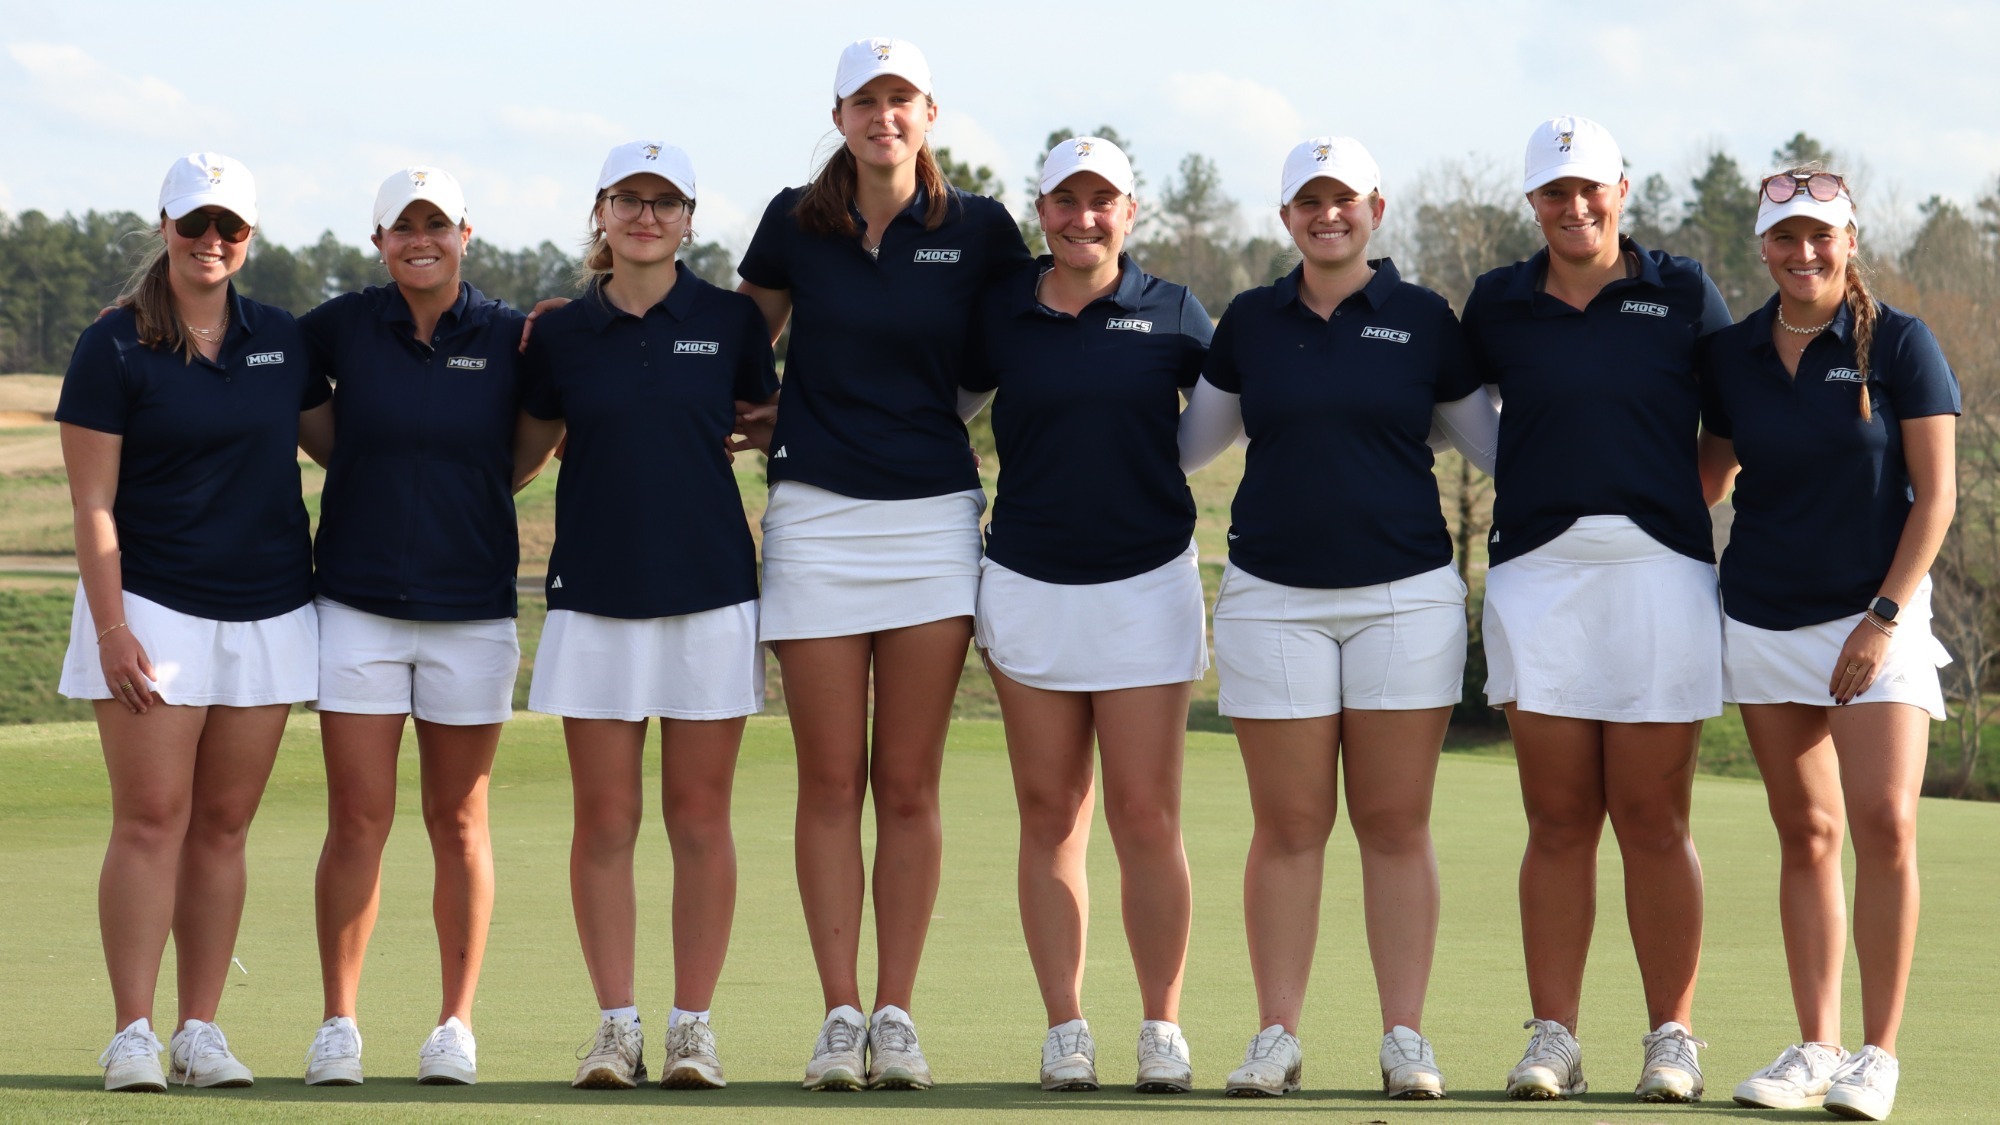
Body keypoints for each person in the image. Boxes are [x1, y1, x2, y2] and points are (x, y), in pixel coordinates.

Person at [734, 37, 1031, 1091]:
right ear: (840, 114)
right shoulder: (792, 220)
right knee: (827, 780)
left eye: (900, 99)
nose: (883, 117)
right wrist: (761, 414)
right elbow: (742, 340)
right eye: (866, 100)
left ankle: (895, 1014)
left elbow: (1006, 356)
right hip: (814, 515)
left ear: (929, 113)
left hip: (930, 519)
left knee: (905, 784)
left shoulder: (981, 227)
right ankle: (836, 1014)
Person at [1179, 136, 1498, 1100]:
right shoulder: (1249, 321)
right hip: (1273, 599)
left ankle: (1405, 1037)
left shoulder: (1425, 319)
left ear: (1377, 209)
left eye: (1344, 200)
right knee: (1289, 826)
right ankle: (1277, 1035)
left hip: (1405, 598)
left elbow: (1496, 446)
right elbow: (1190, 445)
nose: (1328, 215)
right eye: (1308, 202)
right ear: (1285, 218)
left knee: (1395, 824)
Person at [1458, 115, 1733, 1102]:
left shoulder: (1679, 290)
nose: (1572, 207)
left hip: (1660, 572)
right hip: (1538, 574)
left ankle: (1671, 1039)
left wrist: (1668, 496)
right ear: (1530, 202)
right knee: (1559, 816)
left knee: (1653, 816)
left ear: (1621, 188)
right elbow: (1455, 405)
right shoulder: (1495, 303)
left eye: (1588, 188)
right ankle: (1553, 1040)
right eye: (1551, 192)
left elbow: (1729, 422)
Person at [57, 152, 333, 1091]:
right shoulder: (115, 344)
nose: (211, 241)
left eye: (231, 227)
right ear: (166, 225)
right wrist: (110, 628)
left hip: (268, 608)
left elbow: (352, 445)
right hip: (151, 609)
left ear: (250, 238)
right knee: (151, 820)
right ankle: (131, 1030)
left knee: (221, 824)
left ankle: (198, 1029)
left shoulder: (283, 340)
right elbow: (93, 504)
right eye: (195, 223)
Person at [516, 140, 778, 1092]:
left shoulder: (731, 321)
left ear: (689, 220)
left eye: (665, 203)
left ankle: (692, 1028)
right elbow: (520, 455)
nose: (646, 216)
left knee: (699, 816)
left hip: (709, 592)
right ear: (601, 212)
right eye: (629, 199)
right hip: (593, 596)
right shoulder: (557, 332)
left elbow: (766, 420)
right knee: (607, 818)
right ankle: (616, 1027)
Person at [1699, 170, 1957, 1122]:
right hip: (1764, 615)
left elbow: (1936, 497)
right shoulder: (1730, 353)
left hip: (1875, 618)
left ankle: (1876, 1055)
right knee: (1807, 834)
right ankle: (1817, 1046)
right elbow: (1712, 473)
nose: (1802, 254)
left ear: (1850, 239)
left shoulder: (1900, 343)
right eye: (1784, 239)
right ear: (1761, 247)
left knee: (1885, 822)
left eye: (1820, 237)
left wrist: (1883, 616)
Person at [963, 137, 1210, 1095]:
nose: (1083, 218)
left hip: (1147, 582)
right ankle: (1067, 1027)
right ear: (1042, 210)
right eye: (1066, 201)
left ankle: (1161, 1026)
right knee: (1051, 810)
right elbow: (945, 401)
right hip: (1027, 577)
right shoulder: (1002, 310)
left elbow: (1216, 422)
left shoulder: (1175, 311)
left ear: (1130, 213)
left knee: (1146, 814)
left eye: (1101, 201)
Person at [298, 166, 529, 1087]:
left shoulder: (514, 335)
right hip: (354, 604)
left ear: (466, 234)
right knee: (357, 816)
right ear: (379, 240)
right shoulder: (340, 326)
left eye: (437, 224)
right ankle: (339, 1025)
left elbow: (531, 442)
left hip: (471, 609)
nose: (420, 240)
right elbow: (319, 429)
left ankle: (454, 1025)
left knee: (459, 822)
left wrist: (464, 487)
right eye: (404, 227)